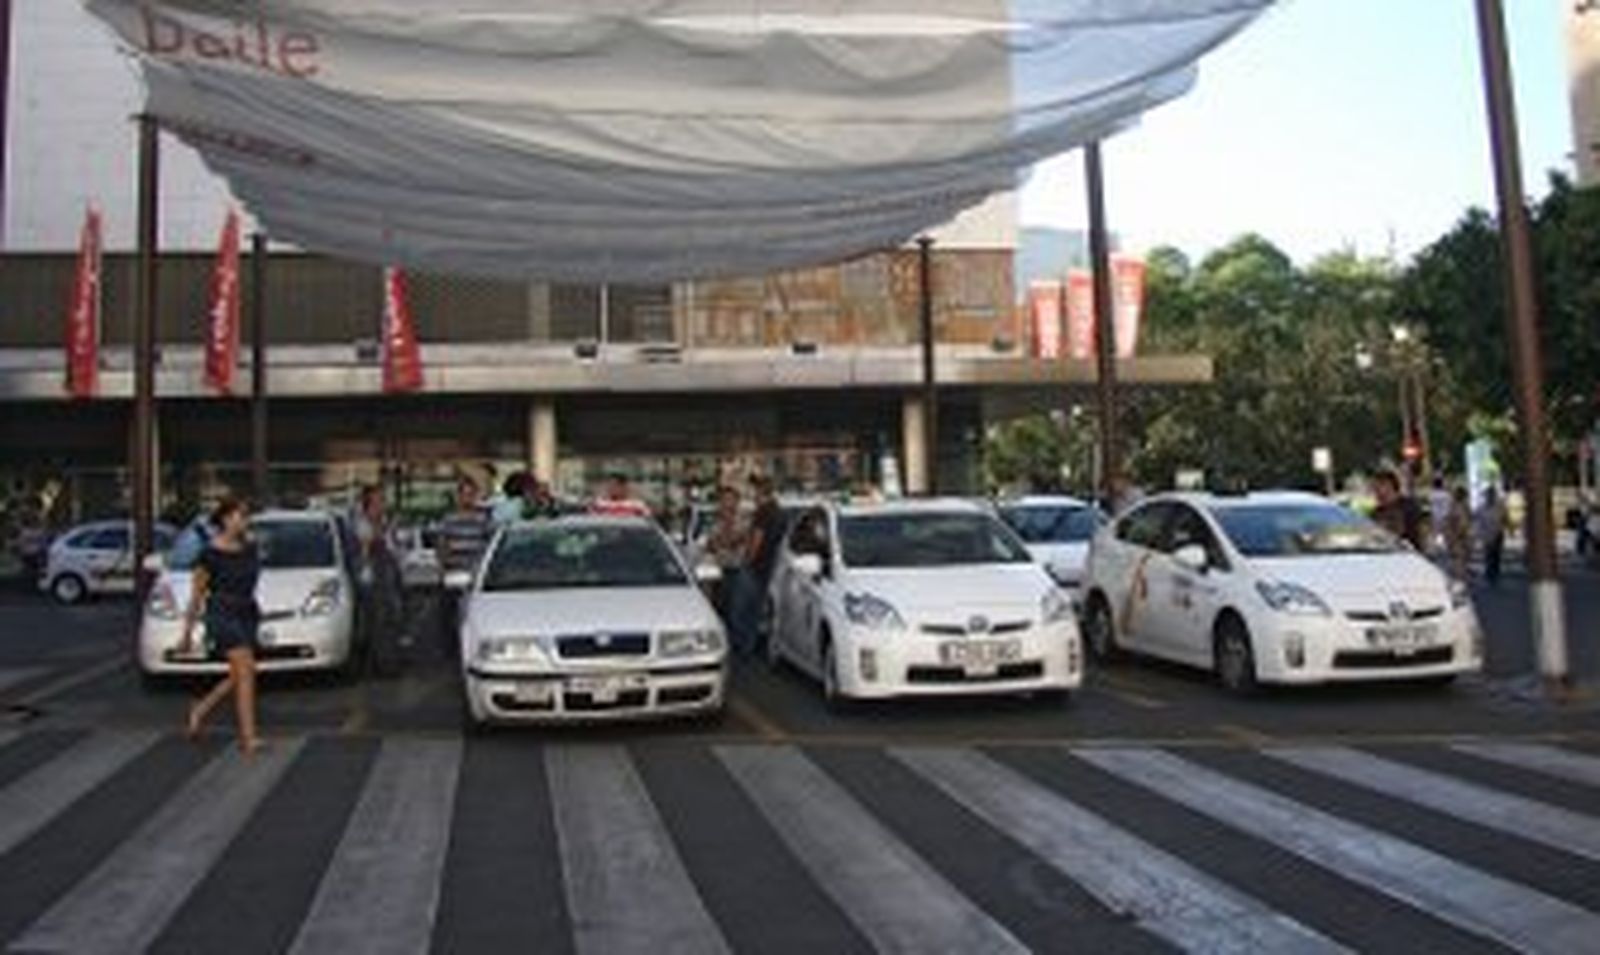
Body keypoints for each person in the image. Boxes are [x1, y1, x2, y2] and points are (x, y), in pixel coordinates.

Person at [179, 497, 263, 756]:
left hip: (247, 611)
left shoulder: (250, 549)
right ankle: (248, 739)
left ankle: (200, 710)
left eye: (245, 516)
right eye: (239, 515)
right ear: (225, 519)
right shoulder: (209, 554)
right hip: (221, 613)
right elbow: (197, 595)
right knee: (246, 670)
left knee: (240, 674)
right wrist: (187, 633)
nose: (244, 521)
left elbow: (252, 582)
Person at [436, 475, 494, 658]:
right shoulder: (448, 518)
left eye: (471, 494)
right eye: (464, 494)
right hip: (454, 574)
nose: (468, 498)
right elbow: (442, 544)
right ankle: (451, 651)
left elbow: (489, 544)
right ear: (458, 496)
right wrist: (443, 568)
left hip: (476, 576)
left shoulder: (484, 518)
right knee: (450, 616)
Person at [729, 476, 784, 656]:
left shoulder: (763, 512)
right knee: (754, 612)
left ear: (760, 492)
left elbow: (756, 540)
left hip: (754, 568)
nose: (752, 495)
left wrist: (748, 561)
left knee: (738, 610)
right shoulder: (779, 512)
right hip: (769, 567)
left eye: (754, 491)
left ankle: (740, 646)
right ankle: (749, 646)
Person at [353, 484, 404, 676]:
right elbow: (366, 547)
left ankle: (389, 660)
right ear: (369, 504)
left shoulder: (386, 523)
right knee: (375, 622)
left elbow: (395, 548)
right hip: (373, 581)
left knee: (391, 619)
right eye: (378, 501)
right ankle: (379, 664)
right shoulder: (362, 524)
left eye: (383, 500)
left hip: (390, 577)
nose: (383, 505)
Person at [701, 485, 750, 617]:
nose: (726, 503)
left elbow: (737, 540)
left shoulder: (744, 520)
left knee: (736, 612)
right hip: (717, 572)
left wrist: (723, 541)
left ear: (736, 502)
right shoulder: (714, 522)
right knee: (717, 610)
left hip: (737, 570)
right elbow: (710, 544)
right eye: (723, 500)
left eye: (730, 500)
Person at [1371, 470, 1424, 550]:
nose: (1376, 492)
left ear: (1391, 486)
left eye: (1379, 487)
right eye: (1375, 488)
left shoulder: (1409, 508)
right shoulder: (1377, 513)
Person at [1478, 487, 1509, 587]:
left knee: (1495, 555)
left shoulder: (1500, 506)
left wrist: (1507, 527)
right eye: (1488, 495)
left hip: (1497, 534)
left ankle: (1494, 574)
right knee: (1489, 555)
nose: (1489, 497)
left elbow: (1505, 518)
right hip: (1487, 534)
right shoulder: (1482, 508)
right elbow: (1478, 521)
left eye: (1491, 495)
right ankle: (1490, 574)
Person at [1444, 485, 1473, 582]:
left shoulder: (1456, 507)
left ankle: (1460, 579)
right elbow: (1464, 523)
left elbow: (1462, 523)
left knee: (1460, 560)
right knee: (1460, 560)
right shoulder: (1460, 507)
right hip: (1460, 538)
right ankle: (1460, 579)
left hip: (1459, 538)